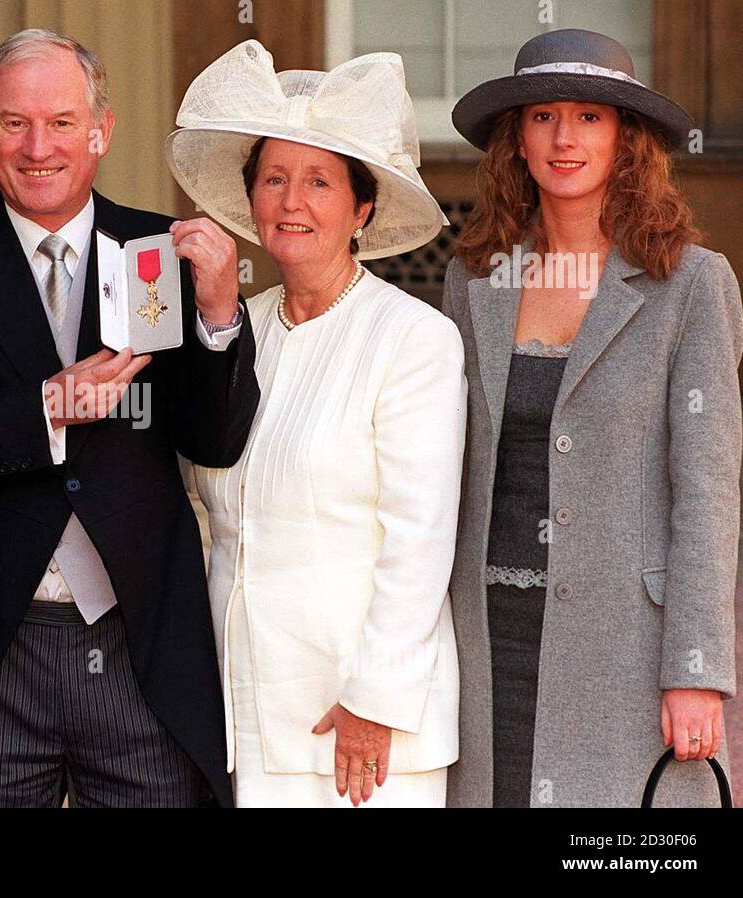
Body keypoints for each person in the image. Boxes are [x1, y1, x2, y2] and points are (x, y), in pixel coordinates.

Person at [0, 28, 260, 807]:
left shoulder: (160, 254)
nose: (37, 145)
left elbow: (214, 440)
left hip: (137, 645)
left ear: (101, 131)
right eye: (14, 122)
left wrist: (219, 313)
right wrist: (44, 406)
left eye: (60, 121)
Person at [445, 28, 740, 807]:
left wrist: (697, 672)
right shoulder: (474, 277)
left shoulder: (691, 286)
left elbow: (707, 492)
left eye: (589, 117)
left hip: (626, 650)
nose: (564, 138)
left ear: (626, 140)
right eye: (542, 117)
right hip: (482, 642)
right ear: (517, 139)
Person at [168, 41, 465, 807]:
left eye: (319, 182)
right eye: (274, 179)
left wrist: (375, 701)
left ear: (362, 208)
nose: (291, 201)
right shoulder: (235, 325)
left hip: (357, 729)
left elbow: (419, 541)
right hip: (240, 714)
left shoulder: (413, 339)